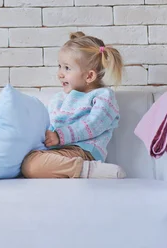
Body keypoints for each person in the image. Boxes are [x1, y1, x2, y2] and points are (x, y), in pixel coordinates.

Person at [21, 32, 126, 179]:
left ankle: (89, 170)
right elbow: (50, 124)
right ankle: (70, 172)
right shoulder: (59, 98)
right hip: (60, 151)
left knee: (31, 166)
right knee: (27, 161)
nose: (60, 74)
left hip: (83, 151)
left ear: (89, 76)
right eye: (60, 66)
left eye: (67, 68)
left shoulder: (103, 96)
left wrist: (59, 135)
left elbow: (93, 125)